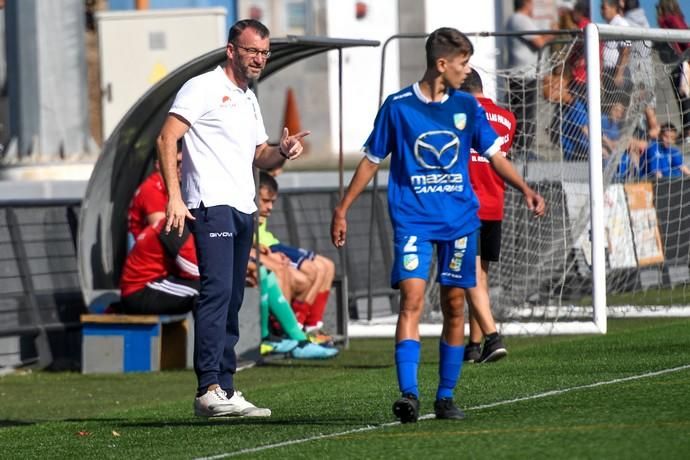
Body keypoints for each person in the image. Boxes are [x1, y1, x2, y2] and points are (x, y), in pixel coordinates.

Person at [330, 27, 545, 423]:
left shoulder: (467, 106)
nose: (468, 70)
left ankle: (445, 397)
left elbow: (495, 156)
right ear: (442, 64)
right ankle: (408, 394)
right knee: (411, 299)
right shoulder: (397, 106)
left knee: (454, 304)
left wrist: (525, 189)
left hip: (461, 221)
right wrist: (342, 208)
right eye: (463, 63)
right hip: (413, 220)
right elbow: (371, 160)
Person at [156, 18, 309, 419]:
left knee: (235, 298)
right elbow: (166, 137)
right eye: (252, 51)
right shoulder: (203, 87)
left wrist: (284, 150)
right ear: (231, 50)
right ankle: (207, 387)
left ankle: (224, 386)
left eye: (264, 52)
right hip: (211, 204)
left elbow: (262, 155)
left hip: (244, 207)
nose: (259, 58)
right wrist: (174, 196)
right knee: (217, 292)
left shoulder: (248, 97)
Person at [459, 69, 514, 364]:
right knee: (481, 277)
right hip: (495, 203)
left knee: (470, 276)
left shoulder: (462, 113)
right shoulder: (508, 118)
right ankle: (473, 345)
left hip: (467, 204)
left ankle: (492, 339)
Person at [257, 171, 336, 342]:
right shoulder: (244, 206)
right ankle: (295, 327)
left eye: (272, 202)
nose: (270, 207)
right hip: (266, 248)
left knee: (327, 266)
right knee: (312, 270)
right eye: (265, 201)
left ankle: (311, 326)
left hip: (271, 244)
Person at [505, 0, 556, 158]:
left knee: (524, 113)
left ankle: (521, 150)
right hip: (523, 75)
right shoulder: (520, 19)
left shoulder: (520, 20)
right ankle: (520, 151)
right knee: (523, 114)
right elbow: (539, 42)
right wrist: (553, 32)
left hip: (525, 75)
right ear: (526, 3)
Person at [120, 220, 199, 315]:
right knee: (206, 289)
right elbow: (193, 270)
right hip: (139, 292)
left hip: (147, 287)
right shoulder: (174, 226)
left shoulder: (169, 223)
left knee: (209, 286)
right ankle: (209, 330)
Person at [127, 149, 182, 249]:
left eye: (184, 163)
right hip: (142, 249)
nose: (181, 168)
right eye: (176, 163)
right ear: (159, 165)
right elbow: (164, 229)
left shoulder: (174, 186)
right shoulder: (152, 189)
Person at [621, 0, 660, 139]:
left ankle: (653, 137)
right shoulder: (643, 20)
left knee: (644, 107)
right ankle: (653, 138)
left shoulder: (626, 23)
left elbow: (627, 47)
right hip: (647, 68)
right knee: (648, 106)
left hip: (638, 71)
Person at [656, 0, 690, 144]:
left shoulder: (670, 19)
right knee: (682, 96)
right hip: (676, 61)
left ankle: (688, 130)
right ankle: (686, 130)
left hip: (680, 60)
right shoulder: (676, 18)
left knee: (684, 95)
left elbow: (686, 40)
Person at [543, 69, 589, 161]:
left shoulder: (575, 107)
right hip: (571, 157)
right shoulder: (562, 109)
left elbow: (586, 129)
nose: (550, 89)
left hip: (580, 156)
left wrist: (601, 149)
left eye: (552, 86)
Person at [600, 0, 633, 111]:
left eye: (604, 8)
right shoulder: (609, 25)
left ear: (613, 7)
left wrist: (619, 73)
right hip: (609, 73)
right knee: (610, 109)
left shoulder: (621, 24)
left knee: (617, 111)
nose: (601, 11)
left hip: (618, 72)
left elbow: (626, 48)